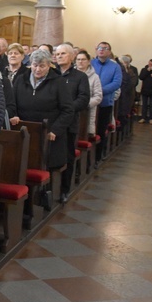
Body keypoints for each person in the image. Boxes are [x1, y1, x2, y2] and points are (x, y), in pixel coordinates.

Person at [10, 49, 74, 207]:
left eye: (42, 66)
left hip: (48, 134)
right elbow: (11, 102)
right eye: (35, 65)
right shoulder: (21, 79)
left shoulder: (58, 82)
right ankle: (26, 204)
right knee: (22, 165)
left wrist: (55, 130)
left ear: (49, 66)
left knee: (46, 167)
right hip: (24, 132)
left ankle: (44, 199)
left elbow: (68, 110)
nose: (38, 69)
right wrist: (14, 115)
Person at [55, 44, 90, 203]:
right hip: (53, 122)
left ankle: (64, 190)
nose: (59, 56)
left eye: (63, 53)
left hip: (69, 123)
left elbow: (83, 99)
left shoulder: (80, 77)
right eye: (57, 54)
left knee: (68, 156)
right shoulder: (52, 74)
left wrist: (66, 110)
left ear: (71, 57)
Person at [91, 41, 122, 161]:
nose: (102, 50)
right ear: (96, 50)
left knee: (101, 129)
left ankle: (98, 156)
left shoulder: (115, 66)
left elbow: (116, 83)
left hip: (105, 103)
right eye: (99, 47)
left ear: (109, 52)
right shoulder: (91, 63)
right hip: (90, 102)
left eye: (105, 48)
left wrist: (100, 91)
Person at [75, 50, 103, 139]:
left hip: (86, 110)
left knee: (84, 134)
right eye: (78, 59)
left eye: (83, 59)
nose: (80, 62)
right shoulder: (71, 75)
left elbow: (98, 96)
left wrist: (84, 104)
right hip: (72, 108)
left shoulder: (95, 77)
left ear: (88, 61)